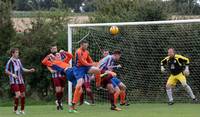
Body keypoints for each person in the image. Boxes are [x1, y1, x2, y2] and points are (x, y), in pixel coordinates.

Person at [71, 40, 101, 111]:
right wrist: (92, 64)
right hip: (78, 69)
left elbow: (90, 61)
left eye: (86, 45)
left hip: (85, 67)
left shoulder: (86, 52)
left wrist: (95, 64)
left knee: (98, 70)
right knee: (79, 86)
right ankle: (74, 103)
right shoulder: (78, 52)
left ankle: (98, 85)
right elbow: (83, 62)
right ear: (81, 45)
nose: (86, 46)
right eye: (84, 45)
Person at [5, 48, 35, 115]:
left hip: (20, 80)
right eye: (16, 52)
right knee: (18, 94)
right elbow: (6, 71)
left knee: (23, 95)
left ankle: (22, 110)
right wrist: (12, 74)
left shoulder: (18, 60)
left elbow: (22, 69)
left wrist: (29, 70)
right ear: (12, 53)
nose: (17, 54)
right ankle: (15, 110)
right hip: (14, 81)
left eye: (18, 52)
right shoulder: (10, 61)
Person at [47, 45, 72, 110]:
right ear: (51, 50)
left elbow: (68, 59)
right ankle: (58, 102)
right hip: (55, 75)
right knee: (58, 90)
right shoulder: (50, 56)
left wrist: (64, 52)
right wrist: (51, 70)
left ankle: (58, 101)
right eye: (53, 48)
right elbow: (47, 65)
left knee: (62, 90)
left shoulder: (61, 54)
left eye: (55, 48)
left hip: (63, 75)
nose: (55, 49)